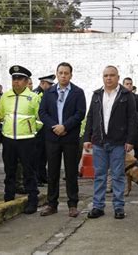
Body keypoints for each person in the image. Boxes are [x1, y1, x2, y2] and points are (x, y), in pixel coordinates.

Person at [83, 66, 138, 219]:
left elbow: (133, 119)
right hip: (99, 142)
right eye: (106, 75)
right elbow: (91, 117)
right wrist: (87, 138)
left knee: (118, 175)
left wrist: (130, 140)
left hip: (118, 142)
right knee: (99, 175)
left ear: (118, 77)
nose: (109, 78)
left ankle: (119, 207)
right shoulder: (96, 95)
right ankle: (98, 206)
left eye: (112, 75)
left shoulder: (126, 95)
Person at [39, 63, 86, 218]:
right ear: (57, 74)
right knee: (52, 172)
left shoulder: (78, 92)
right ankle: (52, 203)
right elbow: (42, 113)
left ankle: (73, 204)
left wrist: (65, 126)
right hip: (52, 137)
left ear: (71, 75)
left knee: (71, 172)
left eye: (66, 73)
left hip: (70, 137)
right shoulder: (49, 92)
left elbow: (80, 113)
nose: (63, 75)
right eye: (61, 73)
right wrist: (55, 126)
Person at [0, 65, 42, 214]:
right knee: (9, 170)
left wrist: (32, 129)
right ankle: (8, 199)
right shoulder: (6, 96)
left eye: (19, 79)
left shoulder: (34, 97)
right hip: (9, 139)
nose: (16, 82)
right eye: (14, 79)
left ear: (26, 81)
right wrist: (5, 130)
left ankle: (32, 200)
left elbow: (40, 118)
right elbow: (1, 115)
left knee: (29, 171)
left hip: (27, 140)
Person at [33, 74, 56, 186]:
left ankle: (42, 176)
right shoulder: (36, 94)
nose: (51, 86)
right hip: (37, 130)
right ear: (42, 83)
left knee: (44, 154)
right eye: (49, 84)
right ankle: (36, 178)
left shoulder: (49, 94)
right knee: (36, 155)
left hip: (46, 129)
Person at [123, 77, 138, 163]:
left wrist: (133, 119)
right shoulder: (119, 97)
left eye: (130, 84)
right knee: (120, 149)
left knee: (137, 148)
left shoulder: (137, 97)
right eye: (127, 84)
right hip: (122, 128)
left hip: (134, 127)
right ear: (123, 85)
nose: (129, 85)